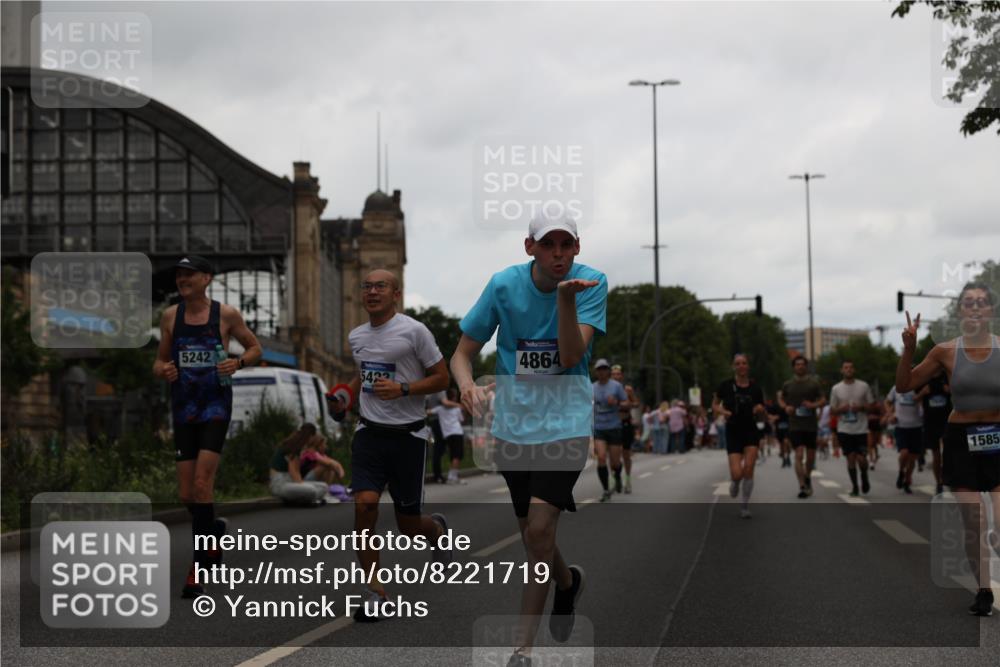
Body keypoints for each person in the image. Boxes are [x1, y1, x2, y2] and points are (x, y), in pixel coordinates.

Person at [450, 214, 604, 663]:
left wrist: (564, 302)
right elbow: (461, 353)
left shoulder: (590, 283)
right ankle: (568, 582)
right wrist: (466, 385)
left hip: (567, 424)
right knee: (534, 538)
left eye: (565, 245)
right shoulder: (503, 285)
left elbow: (574, 353)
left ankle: (522, 650)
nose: (558, 254)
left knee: (539, 529)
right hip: (513, 428)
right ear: (529, 247)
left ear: (577, 247)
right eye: (548, 245)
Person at [325, 269, 452, 622]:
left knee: (408, 526)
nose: (372, 291)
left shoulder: (415, 331)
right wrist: (343, 398)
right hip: (369, 433)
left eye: (381, 286)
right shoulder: (357, 336)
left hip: (409, 436)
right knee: (364, 506)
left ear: (396, 294)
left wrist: (405, 389)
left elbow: (442, 377)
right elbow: (362, 374)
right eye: (366, 285)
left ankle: (437, 530)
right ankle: (375, 592)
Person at [153, 254, 262, 599]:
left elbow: (255, 347)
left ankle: (196, 571)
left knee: (203, 483)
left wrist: (238, 362)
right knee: (188, 494)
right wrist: (164, 370)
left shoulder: (225, 315)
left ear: (207, 278)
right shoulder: (170, 316)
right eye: (179, 275)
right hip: (184, 408)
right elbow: (159, 360)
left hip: (216, 405)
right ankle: (212, 528)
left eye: (189, 274)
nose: (182, 280)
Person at [895, 283, 1000, 616]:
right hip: (960, 438)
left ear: (990, 311)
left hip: (998, 436)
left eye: (982, 302)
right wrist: (909, 349)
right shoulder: (944, 351)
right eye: (968, 303)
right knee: (975, 519)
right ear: (960, 312)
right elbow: (905, 385)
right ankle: (984, 589)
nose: (975, 307)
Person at [713, 354, 766, 519]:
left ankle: (744, 506)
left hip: (750, 429)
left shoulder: (755, 388)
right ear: (733, 367)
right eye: (738, 364)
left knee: (749, 468)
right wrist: (724, 411)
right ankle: (735, 482)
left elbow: (761, 407)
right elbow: (714, 405)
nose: (741, 366)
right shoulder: (725, 386)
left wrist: (759, 409)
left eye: (744, 363)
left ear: (748, 366)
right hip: (733, 430)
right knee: (737, 473)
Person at [779, 355, 825, 499]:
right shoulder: (788, 384)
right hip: (795, 425)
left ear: (806, 366)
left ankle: (807, 476)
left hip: (810, 425)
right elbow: (780, 398)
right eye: (797, 364)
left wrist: (813, 405)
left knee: (810, 458)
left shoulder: (814, 383)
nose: (800, 366)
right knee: (798, 454)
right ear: (794, 367)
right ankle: (802, 485)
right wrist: (786, 407)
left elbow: (823, 399)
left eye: (802, 364)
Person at [829, 361, 875, 497]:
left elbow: (872, 406)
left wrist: (860, 407)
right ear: (841, 370)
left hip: (861, 429)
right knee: (850, 458)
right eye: (845, 368)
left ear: (854, 370)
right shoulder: (836, 389)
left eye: (850, 367)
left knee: (861, 459)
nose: (848, 370)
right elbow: (832, 410)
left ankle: (865, 476)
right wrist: (840, 409)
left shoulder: (863, 386)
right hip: (844, 429)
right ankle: (855, 487)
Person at [592, 359, 628, 500]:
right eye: (599, 369)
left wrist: (617, 402)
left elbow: (626, 403)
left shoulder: (616, 386)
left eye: (604, 369)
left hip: (614, 426)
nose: (602, 372)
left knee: (615, 462)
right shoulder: (592, 387)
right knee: (601, 458)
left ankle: (618, 475)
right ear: (596, 372)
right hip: (599, 427)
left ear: (608, 371)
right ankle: (606, 489)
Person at [270, 425, 329, 505]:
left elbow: (297, 474)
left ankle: (303, 499)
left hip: (290, 482)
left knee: (324, 486)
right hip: (280, 484)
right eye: (314, 436)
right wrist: (303, 485)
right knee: (311, 490)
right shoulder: (292, 447)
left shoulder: (299, 447)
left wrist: (302, 485)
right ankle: (306, 500)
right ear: (311, 436)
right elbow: (293, 472)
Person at [886, 383, 925, 495]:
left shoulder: (919, 387)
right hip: (901, 426)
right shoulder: (897, 388)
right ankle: (901, 472)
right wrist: (890, 414)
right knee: (904, 453)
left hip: (916, 426)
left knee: (912, 458)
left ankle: (907, 480)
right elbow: (887, 402)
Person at [921, 371, 952, 495]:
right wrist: (923, 393)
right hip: (930, 422)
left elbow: (959, 392)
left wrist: (949, 390)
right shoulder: (924, 378)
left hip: (946, 420)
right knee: (936, 455)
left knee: (948, 453)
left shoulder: (947, 376)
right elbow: (914, 398)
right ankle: (938, 482)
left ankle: (948, 478)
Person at [429, 387, 467, 485]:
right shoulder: (457, 408)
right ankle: (452, 477)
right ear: (453, 398)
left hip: (447, 434)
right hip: (457, 432)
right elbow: (462, 420)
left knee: (452, 455)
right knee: (458, 455)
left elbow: (428, 412)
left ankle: (452, 475)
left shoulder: (439, 409)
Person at [611, 364, 639, 493]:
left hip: (625, 423)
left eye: (618, 374)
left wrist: (627, 405)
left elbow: (636, 403)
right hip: (612, 424)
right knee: (612, 455)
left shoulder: (627, 390)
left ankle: (627, 480)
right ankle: (614, 479)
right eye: (614, 374)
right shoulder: (607, 389)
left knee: (626, 454)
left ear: (621, 376)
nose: (616, 376)